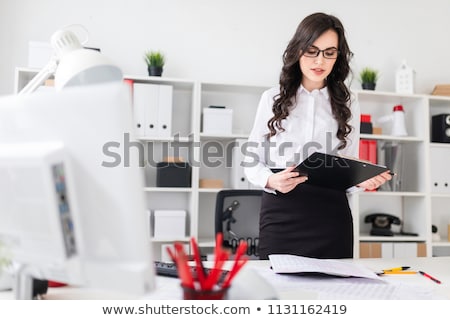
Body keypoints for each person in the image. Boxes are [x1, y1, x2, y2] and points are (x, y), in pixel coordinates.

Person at [243, 12, 392, 260]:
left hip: (331, 215)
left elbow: (347, 162)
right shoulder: (272, 98)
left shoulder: (349, 101)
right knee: (278, 292)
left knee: (335, 292)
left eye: (329, 52)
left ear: (338, 56)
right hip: (283, 212)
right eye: (312, 50)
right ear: (298, 50)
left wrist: (361, 181)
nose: (319, 60)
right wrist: (271, 180)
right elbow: (251, 160)